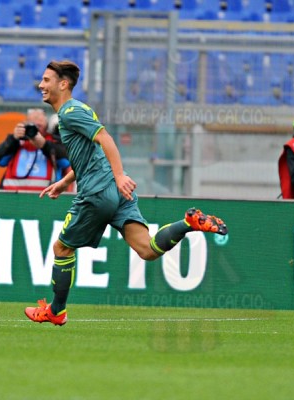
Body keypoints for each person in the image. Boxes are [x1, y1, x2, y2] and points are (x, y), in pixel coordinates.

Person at [24, 60, 227, 326]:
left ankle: (56, 311)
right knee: (148, 249)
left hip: (98, 191)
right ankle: (188, 223)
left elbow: (105, 139)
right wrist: (65, 182)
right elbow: (91, 153)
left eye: (46, 80)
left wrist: (119, 176)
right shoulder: (78, 110)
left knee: (61, 248)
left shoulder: (69, 112)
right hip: (115, 189)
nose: (41, 85)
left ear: (63, 84)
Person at [0, 108, 71, 191]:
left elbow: (67, 162)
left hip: (46, 195)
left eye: (39, 124)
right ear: (26, 124)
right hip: (12, 195)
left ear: (47, 125)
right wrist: (13, 139)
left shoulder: (54, 142)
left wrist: (45, 145)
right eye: (33, 124)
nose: (36, 128)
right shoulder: (17, 142)